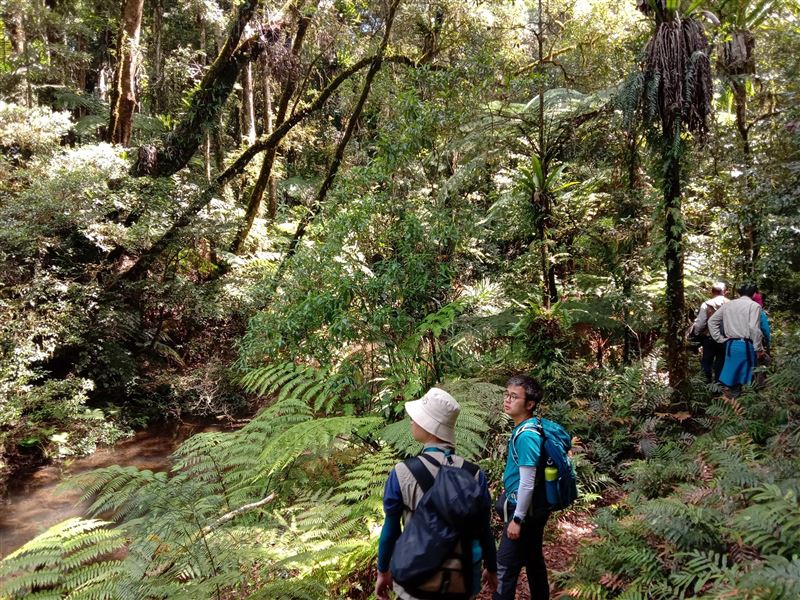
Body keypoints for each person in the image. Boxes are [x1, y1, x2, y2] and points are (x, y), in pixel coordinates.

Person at [376, 388, 498, 600]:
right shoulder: (474, 474)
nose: (412, 422)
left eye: (415, 419)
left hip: (415, 581)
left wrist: (383, 571)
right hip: (460, 580)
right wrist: (492, 567)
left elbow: (391, 530)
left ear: (429, 427)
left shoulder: (401, 472)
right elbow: (484, 529)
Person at [494, 375, 551, 600]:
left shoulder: (527, 436)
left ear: (530, 404)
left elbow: (528, 482)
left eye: (514, 397)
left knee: (504, 567)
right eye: (507, 394)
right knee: (534, 559)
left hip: (524, 513)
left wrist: (516, 520)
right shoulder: (530, 426)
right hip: (535, 507)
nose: (507, 400)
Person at [708, 283, 767, 398]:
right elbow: (754, 328)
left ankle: (736, 405)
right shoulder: (754, 306)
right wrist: (758, 348)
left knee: (734, 378)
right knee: (750, 377)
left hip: (730, 346)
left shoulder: (729, 305)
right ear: (754, 294)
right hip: (746, 346)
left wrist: (720, 339)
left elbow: (712, 321)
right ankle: (747, 406)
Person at [691, 282, 729, 383]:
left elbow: (700, 323)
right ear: (725, 292)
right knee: (721, 362)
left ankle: (705, 384)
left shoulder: (706, 305)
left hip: (709, 338)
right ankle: (718, 386)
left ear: (712, 292)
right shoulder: (731, 304)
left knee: (707, 360)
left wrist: (696, 333)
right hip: (726, 338)